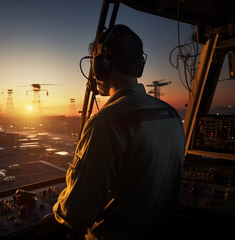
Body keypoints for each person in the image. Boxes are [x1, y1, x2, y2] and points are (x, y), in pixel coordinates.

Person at [50, 24, 185, 239]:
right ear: (138, 65)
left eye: (94, 62)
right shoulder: (171, 114)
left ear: (101, 66)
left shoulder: (108, 120)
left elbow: (76, 213)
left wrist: (57, 207)